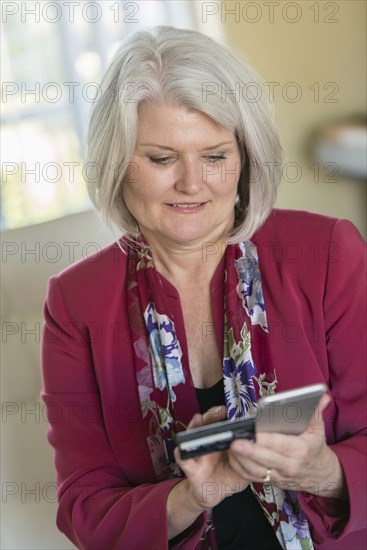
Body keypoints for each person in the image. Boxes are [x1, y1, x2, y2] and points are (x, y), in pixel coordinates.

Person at [41, 26, 366, 550]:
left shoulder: (328, 253)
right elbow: (85, 506)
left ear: (244, 159)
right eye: (161, 159)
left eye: (214, 156)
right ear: (116, 165)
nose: (193, 184)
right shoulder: (76, 301)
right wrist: (191, 495)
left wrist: (321, 471)